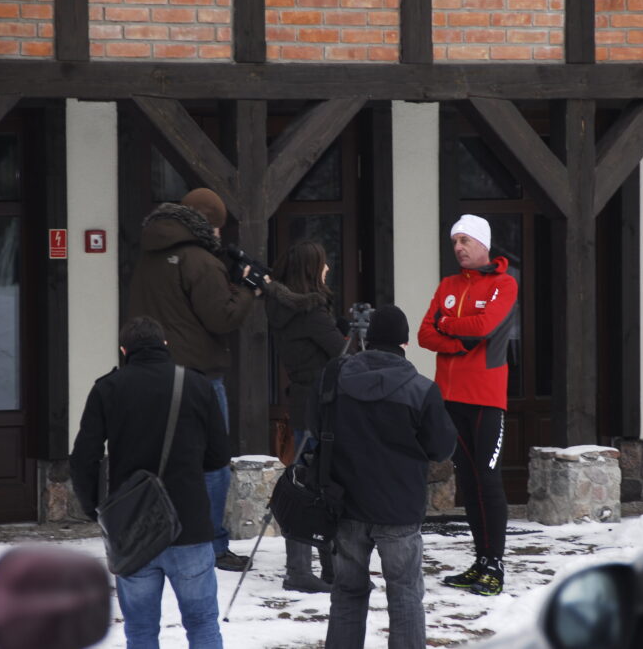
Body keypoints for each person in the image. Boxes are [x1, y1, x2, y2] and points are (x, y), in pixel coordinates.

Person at [70, 316, 230, 649]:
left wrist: (94, 508)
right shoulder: (197, 385)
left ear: (124, 350)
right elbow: (218, 457)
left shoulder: (108, 388)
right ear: (165, 345)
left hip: (132, 526)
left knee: (141, 630)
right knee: (202, 624)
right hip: (189, 524)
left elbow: (84, 457)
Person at [127, 187, 260, 573]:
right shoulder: (200, 260)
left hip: (149, 374)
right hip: (198, 377)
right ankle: (213, 545)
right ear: (206, 224)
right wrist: (248, 290)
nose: (219, 235)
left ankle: (157, 536)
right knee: (212, 462)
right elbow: (221, 318)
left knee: (161, 458)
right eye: (217, 227)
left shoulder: (149, 256)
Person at [317, 305, 456, 649]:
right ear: (404, 343)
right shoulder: (422, 390)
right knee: (405, 594)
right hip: (400, 509)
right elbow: (441, 448)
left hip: (345, 504)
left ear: (369, 340)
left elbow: (316, 428)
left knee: (347, 592)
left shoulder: (335, 379)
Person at [417, 214, 518, 597]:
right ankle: (480, 560)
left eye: (465, 240)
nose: (458, 247)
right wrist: (459, 340)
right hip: (449, 398)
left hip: (486, 399)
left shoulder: (504, 283)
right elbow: (424, 334)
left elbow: (485, 326)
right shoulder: (448, 284)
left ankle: (495, 565)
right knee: (469, 482)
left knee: (488, 481)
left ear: (483, 243)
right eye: (454, 241)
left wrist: (447, 324)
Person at [265, 240, 345, 593]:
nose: (328, 269)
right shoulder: (311, 313)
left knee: (305, 483)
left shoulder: (284, 309)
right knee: (317, 487)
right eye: (323, 263)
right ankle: (307, 570)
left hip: (302, 403)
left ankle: (320, 568)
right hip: (321, 407)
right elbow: (343, 355)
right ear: (312, 270)